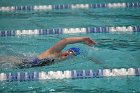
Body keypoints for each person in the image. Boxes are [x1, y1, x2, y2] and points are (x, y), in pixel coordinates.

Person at [1, 37, 96, 68]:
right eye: (69, 51)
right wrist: (82, 39)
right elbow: (65, 41)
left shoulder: (62, 60)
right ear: (67, 50)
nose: (69, 54)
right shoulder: (56, 52)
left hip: (25, 66)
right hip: (23, 62)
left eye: (72, 54)